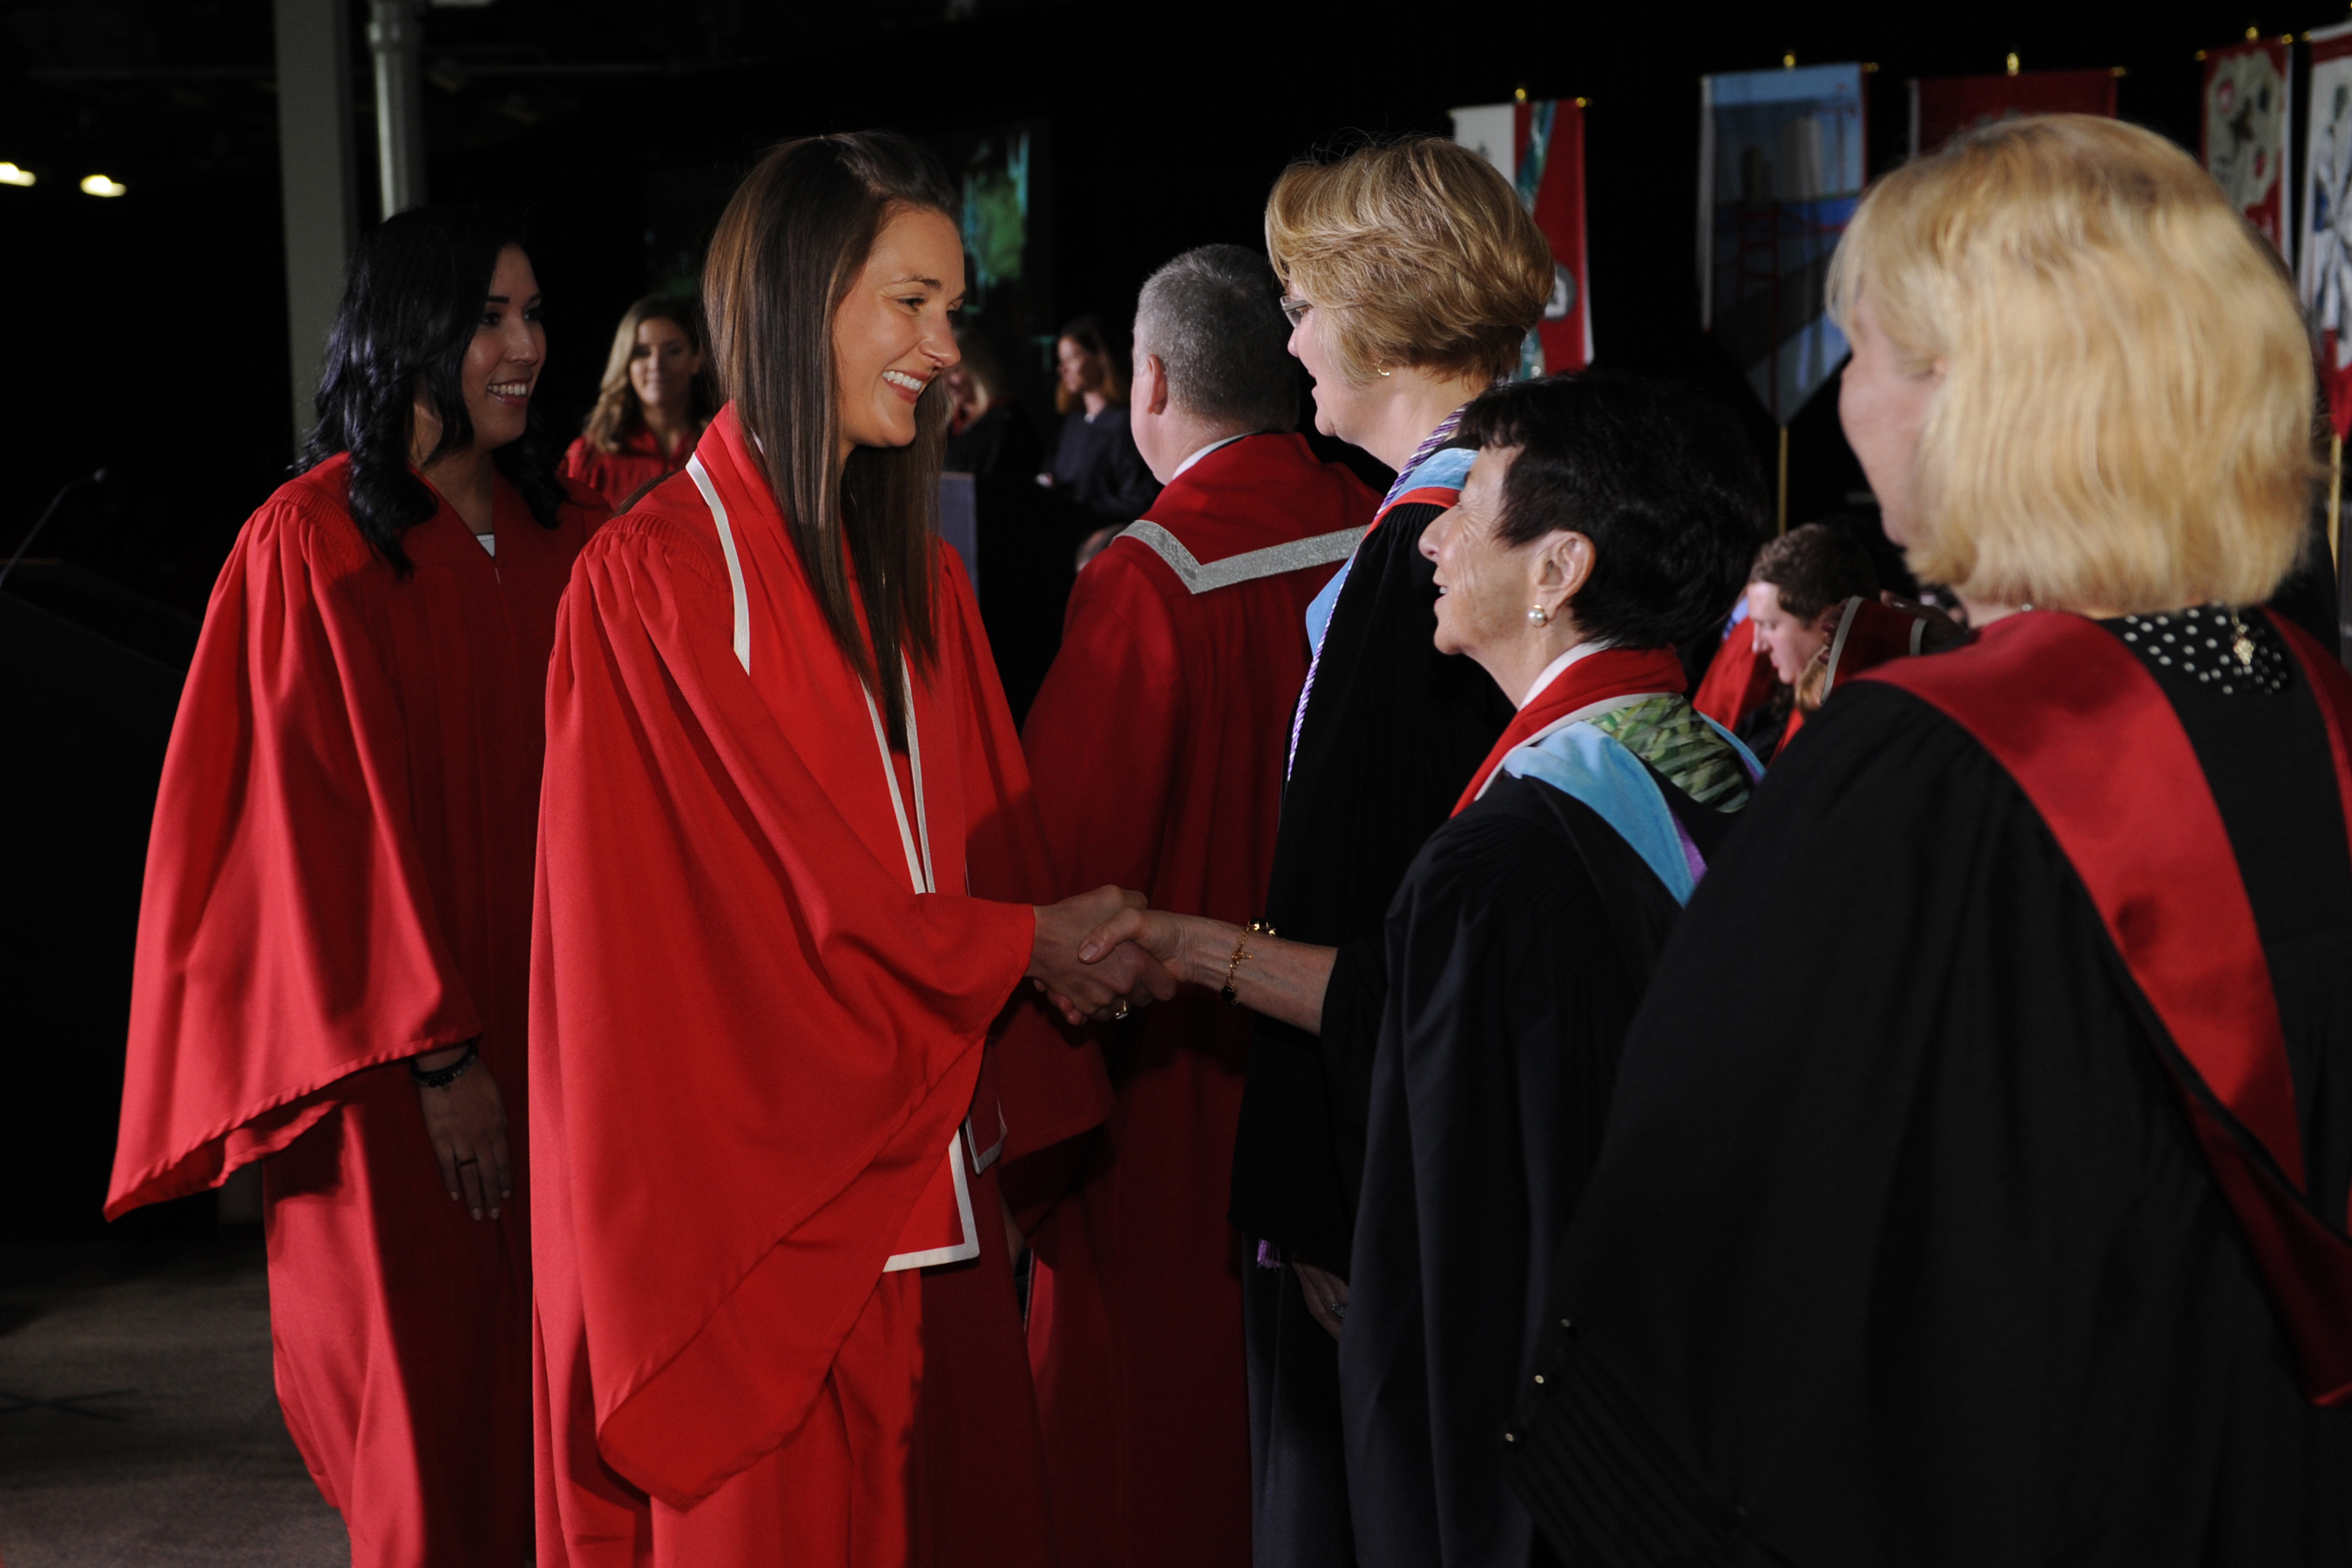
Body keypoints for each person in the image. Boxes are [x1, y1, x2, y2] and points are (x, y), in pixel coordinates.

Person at [1504, 115, 2352, 1565]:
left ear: (1981, 396)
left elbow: (1715, 1259)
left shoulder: (1922, 776)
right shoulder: (2307, 711)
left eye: (1868, 353)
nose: (1846, 400)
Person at [529, 132, 1172, 1568]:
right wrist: (1027, 944)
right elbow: (745, 922)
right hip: (768, 1240)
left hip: (936, 1195)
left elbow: (983, 859)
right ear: (800, 296)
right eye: (912, 303)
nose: (947, 348)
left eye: (955, 309)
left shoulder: (920, 576)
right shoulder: (652, 584)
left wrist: (1050, 962)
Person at [1078, 370, 1765, 1568]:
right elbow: (1404, 1005)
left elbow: (1460, 1254)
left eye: (1471, 505)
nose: (1431, 539)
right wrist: (1188, 947)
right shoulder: (1723, 772)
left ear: (1557, 572)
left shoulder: (1507, 857)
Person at [105, 208, 605, 1566]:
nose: (524, 346)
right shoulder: (310, 545)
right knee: (426, 1406)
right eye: (488, 319)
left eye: (533, 314)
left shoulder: (571, 536)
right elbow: (312, 834)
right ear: (409, 332)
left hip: (573, 1046)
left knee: (572, 1396)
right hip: (393, 1072)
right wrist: (442, 1059)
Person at [1016, 242, 1379, 1568]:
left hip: (1171, 1096)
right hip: (1352, 1070)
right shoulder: (1396, 531)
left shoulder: (1150, 576)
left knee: (1152, 1460)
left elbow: (1072, 888)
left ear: (1153, 381)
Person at [1227, 134, 1550, 1567]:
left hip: (1399, 1164)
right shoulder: (1524, 491)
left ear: (1380, 307)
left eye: (1304, 302)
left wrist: (1316, 1194)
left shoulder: (1434, 543)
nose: (1291, 338)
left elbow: (1367, 888)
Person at [1739, 521, 1877, 760]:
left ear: (1829, 623)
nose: (1757, 645)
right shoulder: (1766, 721)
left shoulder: (1860, 732)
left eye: (1769, 626)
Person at [560, 295, 715, 509]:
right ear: (626, 363)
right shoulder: (588, 457)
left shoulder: (721, 448)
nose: (656, 364)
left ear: (696, 359)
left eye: (673, 351)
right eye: (642, 353)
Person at [1038, 314, 1159, 560]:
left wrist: (1081, 506)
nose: (1063, 368)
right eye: (1061, 360)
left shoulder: (1126, 426)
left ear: (1100, 357)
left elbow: (1140, 499)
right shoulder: (1071, 425)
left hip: (1108, 550)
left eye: (1072, 358)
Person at [945, 323, 1044, 479]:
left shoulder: (1006, 423)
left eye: (954, 371)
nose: (946, 382)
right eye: (941, 373)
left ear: (977, 368)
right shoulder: (949, 426)